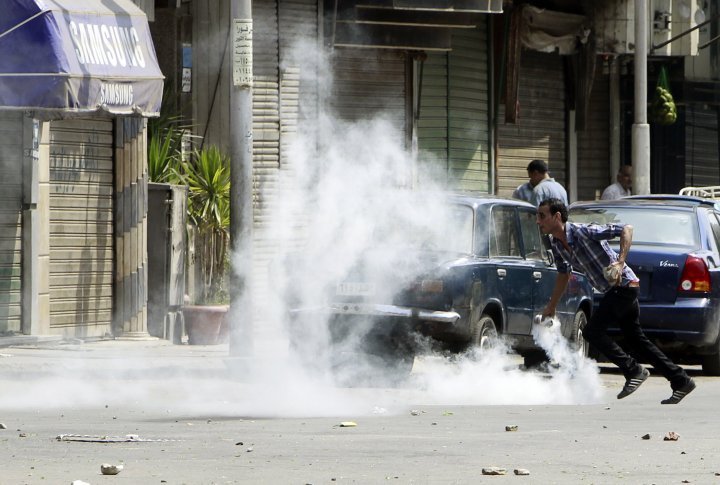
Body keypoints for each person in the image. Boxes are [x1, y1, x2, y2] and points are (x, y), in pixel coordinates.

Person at [536, 198, 696, 404]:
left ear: (557, 216)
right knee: (637, 340)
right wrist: (551, 306)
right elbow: (563, 275)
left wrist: (620, 262)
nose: (538, 222)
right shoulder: (557, 245)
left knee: (592, 332)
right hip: (618, 290)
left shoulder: (582, 231)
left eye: (542, 216)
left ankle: (633, 370)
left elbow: (626, 229)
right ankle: (681, 381)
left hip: (624, 287)